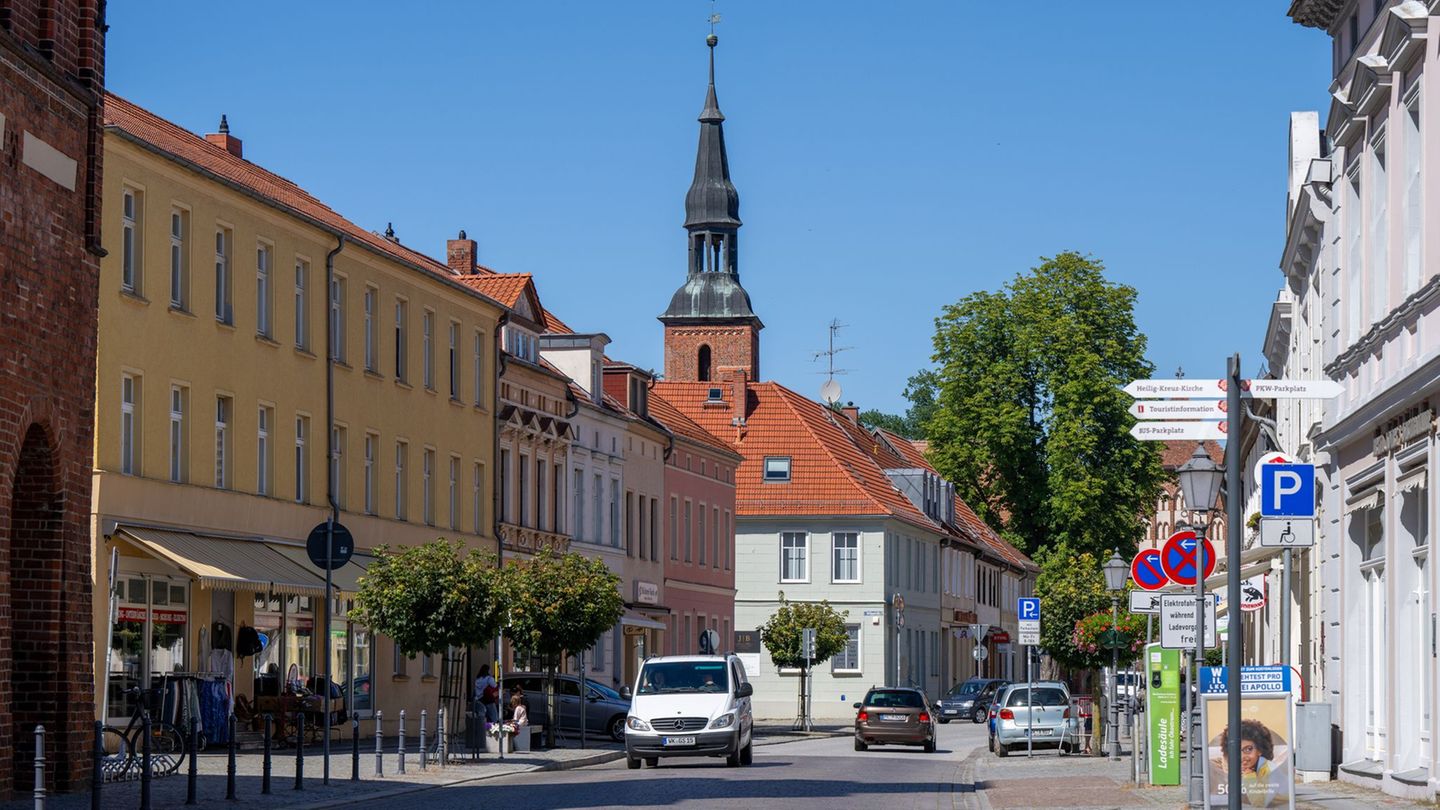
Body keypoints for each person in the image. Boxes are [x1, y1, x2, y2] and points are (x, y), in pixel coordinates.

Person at [1211, 719, 1288, 807]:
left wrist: (1249, 775)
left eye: (1248, 749)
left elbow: (1259, 804)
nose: (1242, 756)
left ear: (1260, 750)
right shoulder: (1215, 767)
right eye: (1236, 749)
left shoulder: (1269, 771)